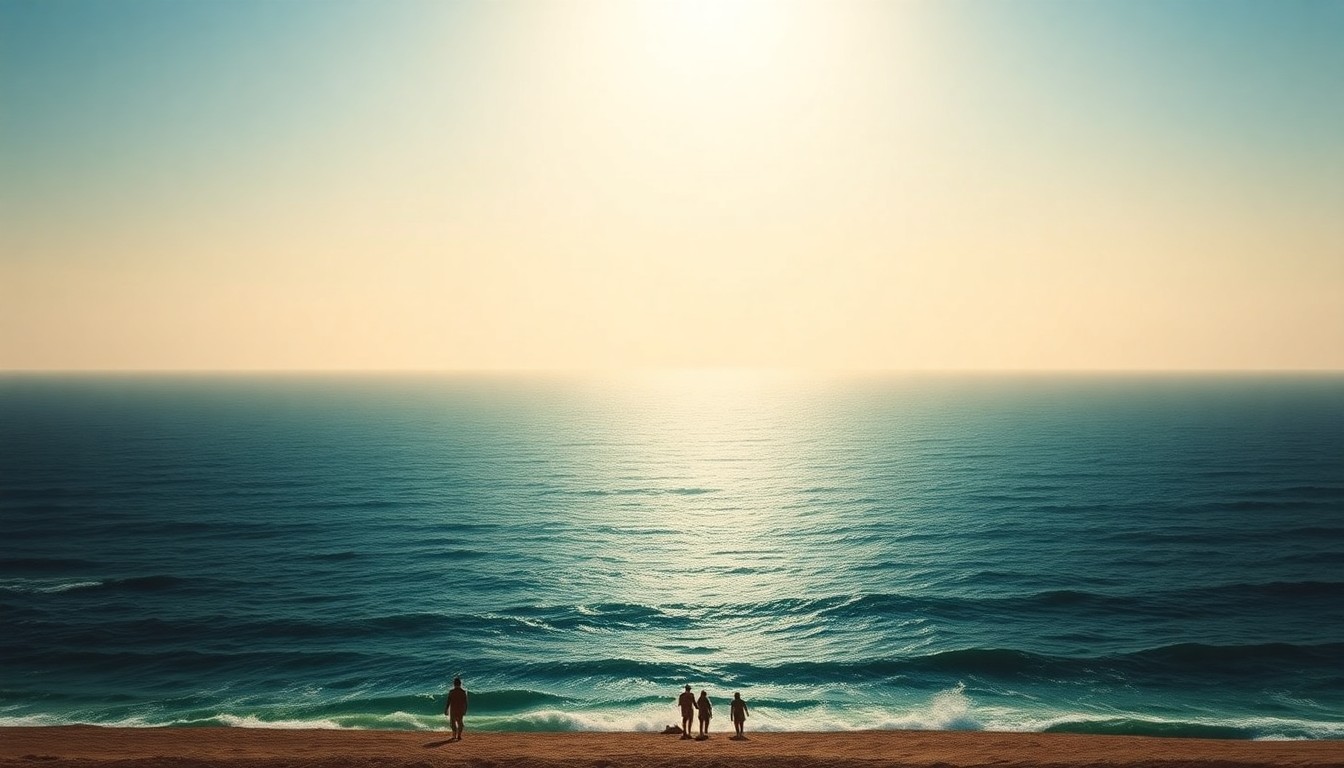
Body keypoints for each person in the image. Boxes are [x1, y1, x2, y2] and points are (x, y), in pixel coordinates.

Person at [444, 677, 468, 742]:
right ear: (460, 684)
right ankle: (459, 736)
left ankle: (454, 735)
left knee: (453, 723)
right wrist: (465, 710)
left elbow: (448, 702)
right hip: (460, 710)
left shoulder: (451, 692)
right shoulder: (463, 692)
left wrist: (446, 709)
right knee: (460, 723)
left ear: (454, 684)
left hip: (453, 710)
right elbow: (465, 702)